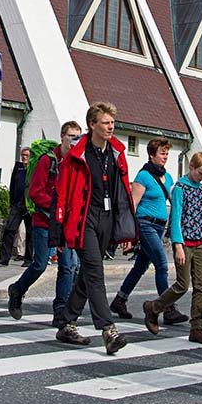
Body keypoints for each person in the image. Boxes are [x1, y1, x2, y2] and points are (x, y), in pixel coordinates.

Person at [51, 102, 136, 354]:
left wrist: (125, 228)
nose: (111, 127)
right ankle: (108, 330)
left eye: (112, 122)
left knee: (87, 276)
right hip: (83, 219)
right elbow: (62, 193)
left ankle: (67, 322)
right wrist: (58, 231)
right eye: (106, 122)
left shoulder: (117, 153)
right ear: (92, 125)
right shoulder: (77, 155)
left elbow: (123, 192)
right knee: (95, 271)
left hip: (106, 219)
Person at [7, 121, 81, 320]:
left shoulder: (75, 163)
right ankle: (17, 290)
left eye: (78, 137)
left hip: (65, 224)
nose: (75, 140)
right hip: (44, 220)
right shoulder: (48, 161)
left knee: (67, 266)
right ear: (62, 136)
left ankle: (60, 310)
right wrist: (57, 205)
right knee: (40, 264)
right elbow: (35, 192)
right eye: (72, 136)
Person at [110, 138, 187, 325]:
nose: (165, 157)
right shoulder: (143, 176)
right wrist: (130, 232)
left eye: (167, 153)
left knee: (141, 266)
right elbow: (133, 204)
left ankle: (120, 300)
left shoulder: (167, 177)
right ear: (152, 155)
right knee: (161, 264)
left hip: (160, 226)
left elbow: (172, 198)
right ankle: (167, 308)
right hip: (145, 225)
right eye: (162, 153)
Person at [141, 151, 202, 344]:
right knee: (182, 284)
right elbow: (176, 218)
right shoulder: (180, 188)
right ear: (191, 167)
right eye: (200, 172)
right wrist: (178, 245)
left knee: (201, 286)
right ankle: (154, 307)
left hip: (199, 243)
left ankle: (197, 327)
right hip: (184, 243)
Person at [0, 147, 33, 266]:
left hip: (29, 205)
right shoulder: (18, 167)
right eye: (23, 155)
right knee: (9, 230)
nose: (24, 157)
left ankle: (28, 259)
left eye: (26, 155)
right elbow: (13, 185)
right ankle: (4, 258)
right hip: (17, 205)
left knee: (30, 233)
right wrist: (11, 202)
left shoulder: (33, 168)